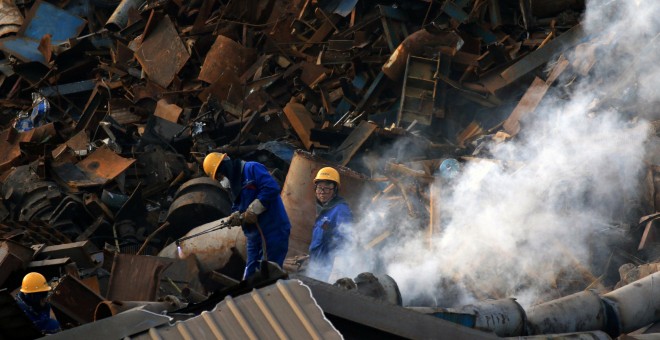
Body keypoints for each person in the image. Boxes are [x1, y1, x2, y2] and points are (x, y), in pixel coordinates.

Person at [203, 152, 291, 279]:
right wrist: (236, 215)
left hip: (272, 230)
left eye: (220, 175)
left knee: (268, 275)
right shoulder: (233, 184)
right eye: (218, 178)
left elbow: (271, 188)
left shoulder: (251, 168)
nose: (222, 180)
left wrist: (253, 209)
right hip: (253, 236)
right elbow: (237, 203)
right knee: (250, 276)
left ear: (225, 167)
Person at [308, 167, 353, 281]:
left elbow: (345, 237)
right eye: (319, 187)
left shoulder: (340, 209)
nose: (322, 192)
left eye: (327, 188)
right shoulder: (324, 210)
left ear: (335, 190)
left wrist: (337, 266)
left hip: (327, 268)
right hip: (316, 265)